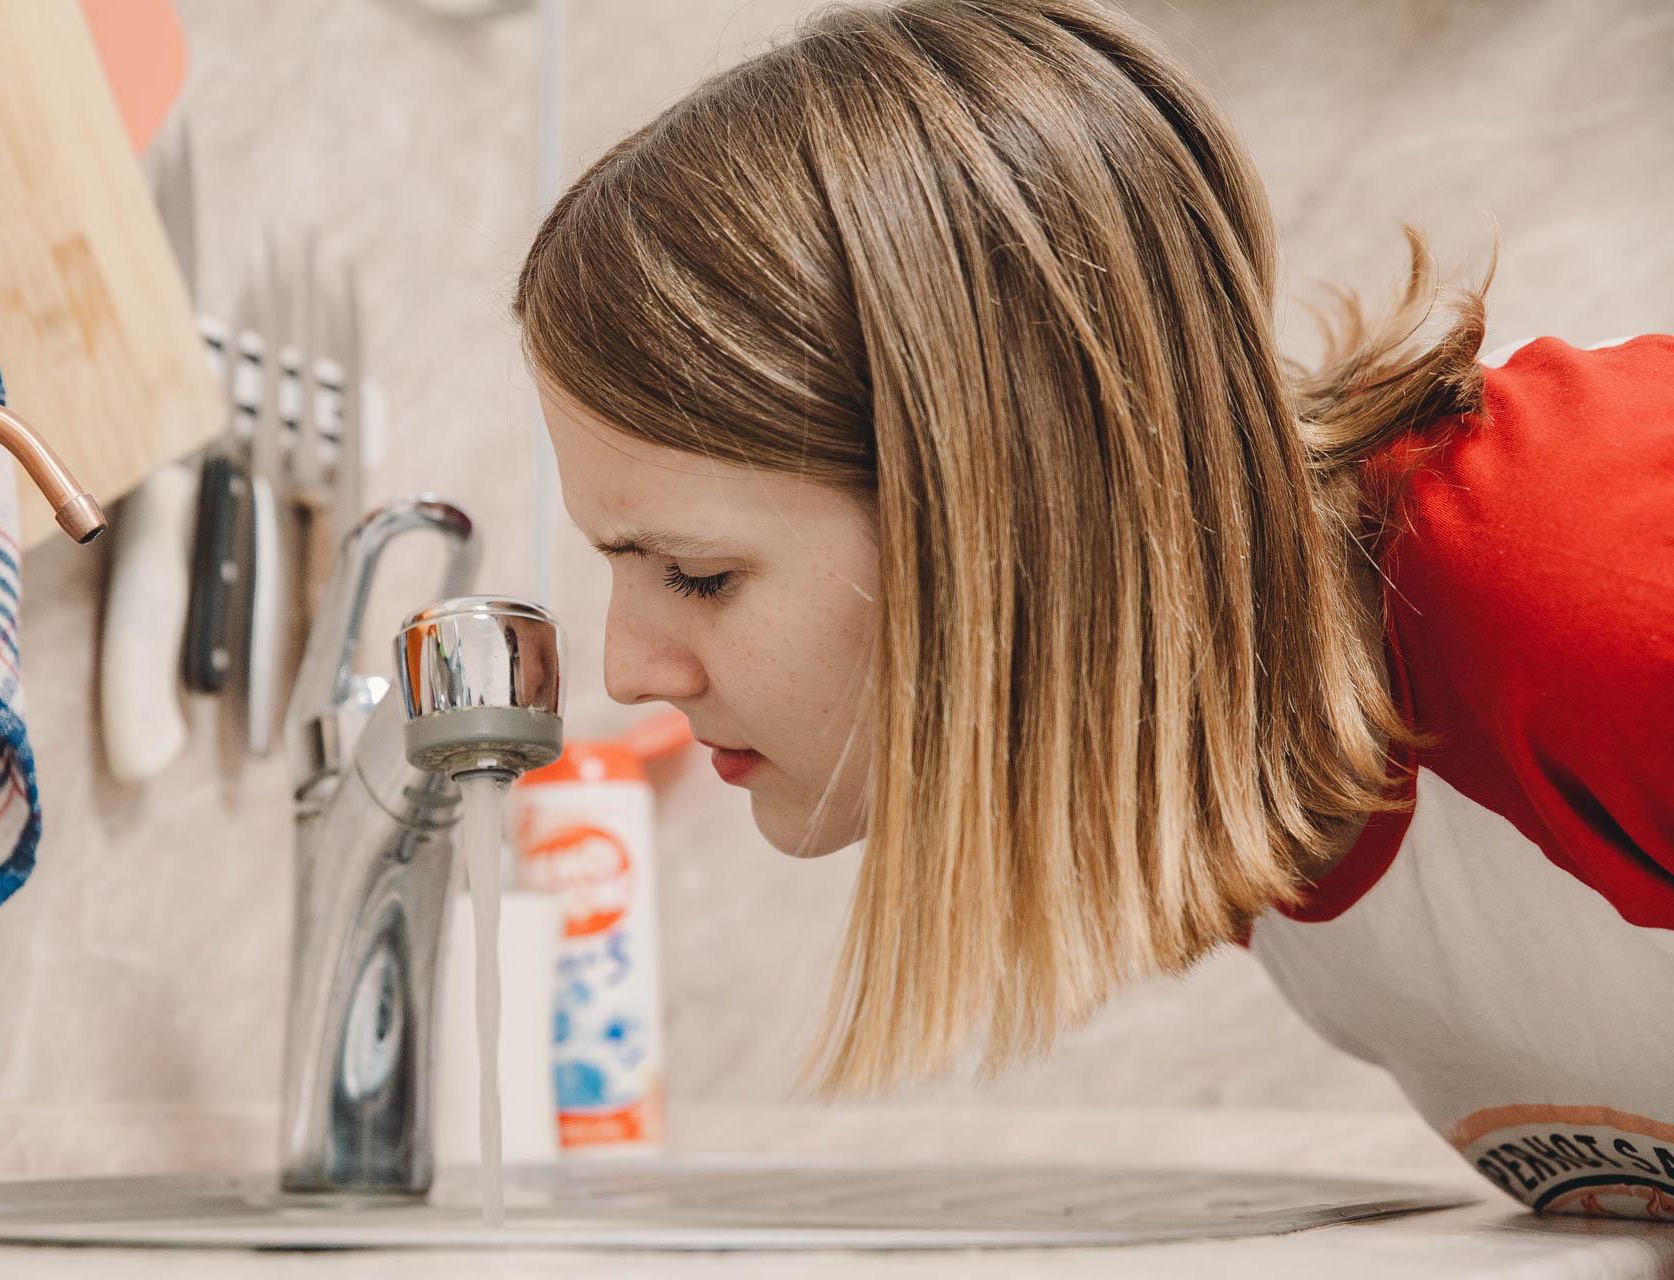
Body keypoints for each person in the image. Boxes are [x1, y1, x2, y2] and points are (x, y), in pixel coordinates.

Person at [511, 0, 1674, 1219]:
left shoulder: (1585, 577)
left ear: (1005, 503)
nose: (631, 668)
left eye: (698, 573)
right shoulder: (1230, 761)